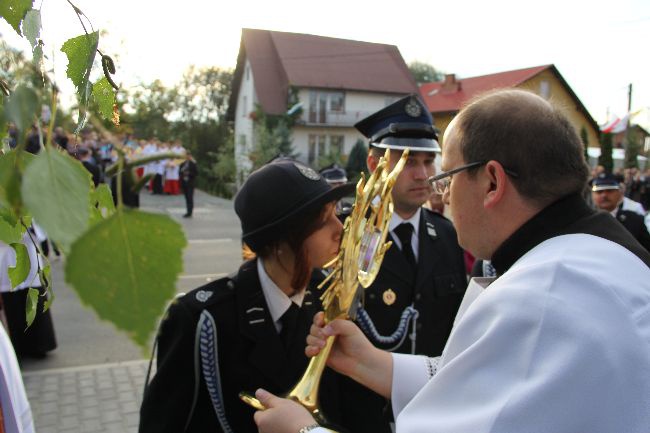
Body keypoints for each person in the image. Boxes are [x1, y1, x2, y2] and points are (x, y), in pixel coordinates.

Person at [254, 89, 650, 433]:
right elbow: (489, 381)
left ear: (492, 182)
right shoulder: (598, 254)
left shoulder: (538, 298)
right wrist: (372, 363)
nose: (437, 190)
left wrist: (302, 428)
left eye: (447, 174)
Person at [139, 159, 354, 433]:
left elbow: (351, 412)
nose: (340, 229)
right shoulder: (202, 320)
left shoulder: (330, 296)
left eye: (337, 214)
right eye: (325, 220)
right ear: (280, 240)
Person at [339, 94, 466, 432]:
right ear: (373, 163)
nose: (423, 174)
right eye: (408, 161)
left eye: (429, 161)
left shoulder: (447, 235)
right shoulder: (345, 234)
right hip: (360, 413)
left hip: (431, 411)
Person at [0, 232, 57, 359]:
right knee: (12, 300)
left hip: (27, 251)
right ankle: (18, 346)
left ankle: (40, 344)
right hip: (5, 255)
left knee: (33, 296)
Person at [591, 173, 650, 251]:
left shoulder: (635, 220)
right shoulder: (583, 221)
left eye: (609, 191)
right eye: (599, 192)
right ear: (592, 195)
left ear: (620, 193)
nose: (604, 195)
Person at [179, 150, 198, 218]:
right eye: (186, 155)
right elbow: (180, 173)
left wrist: (189, 173)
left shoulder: (193, 163)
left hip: (190, 183)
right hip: (184, 182)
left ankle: (190, 212)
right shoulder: (182, 164)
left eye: (188, 155)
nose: (187, 157)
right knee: (186, 197)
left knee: (190, 197)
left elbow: (196, 173)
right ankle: (187, 211)